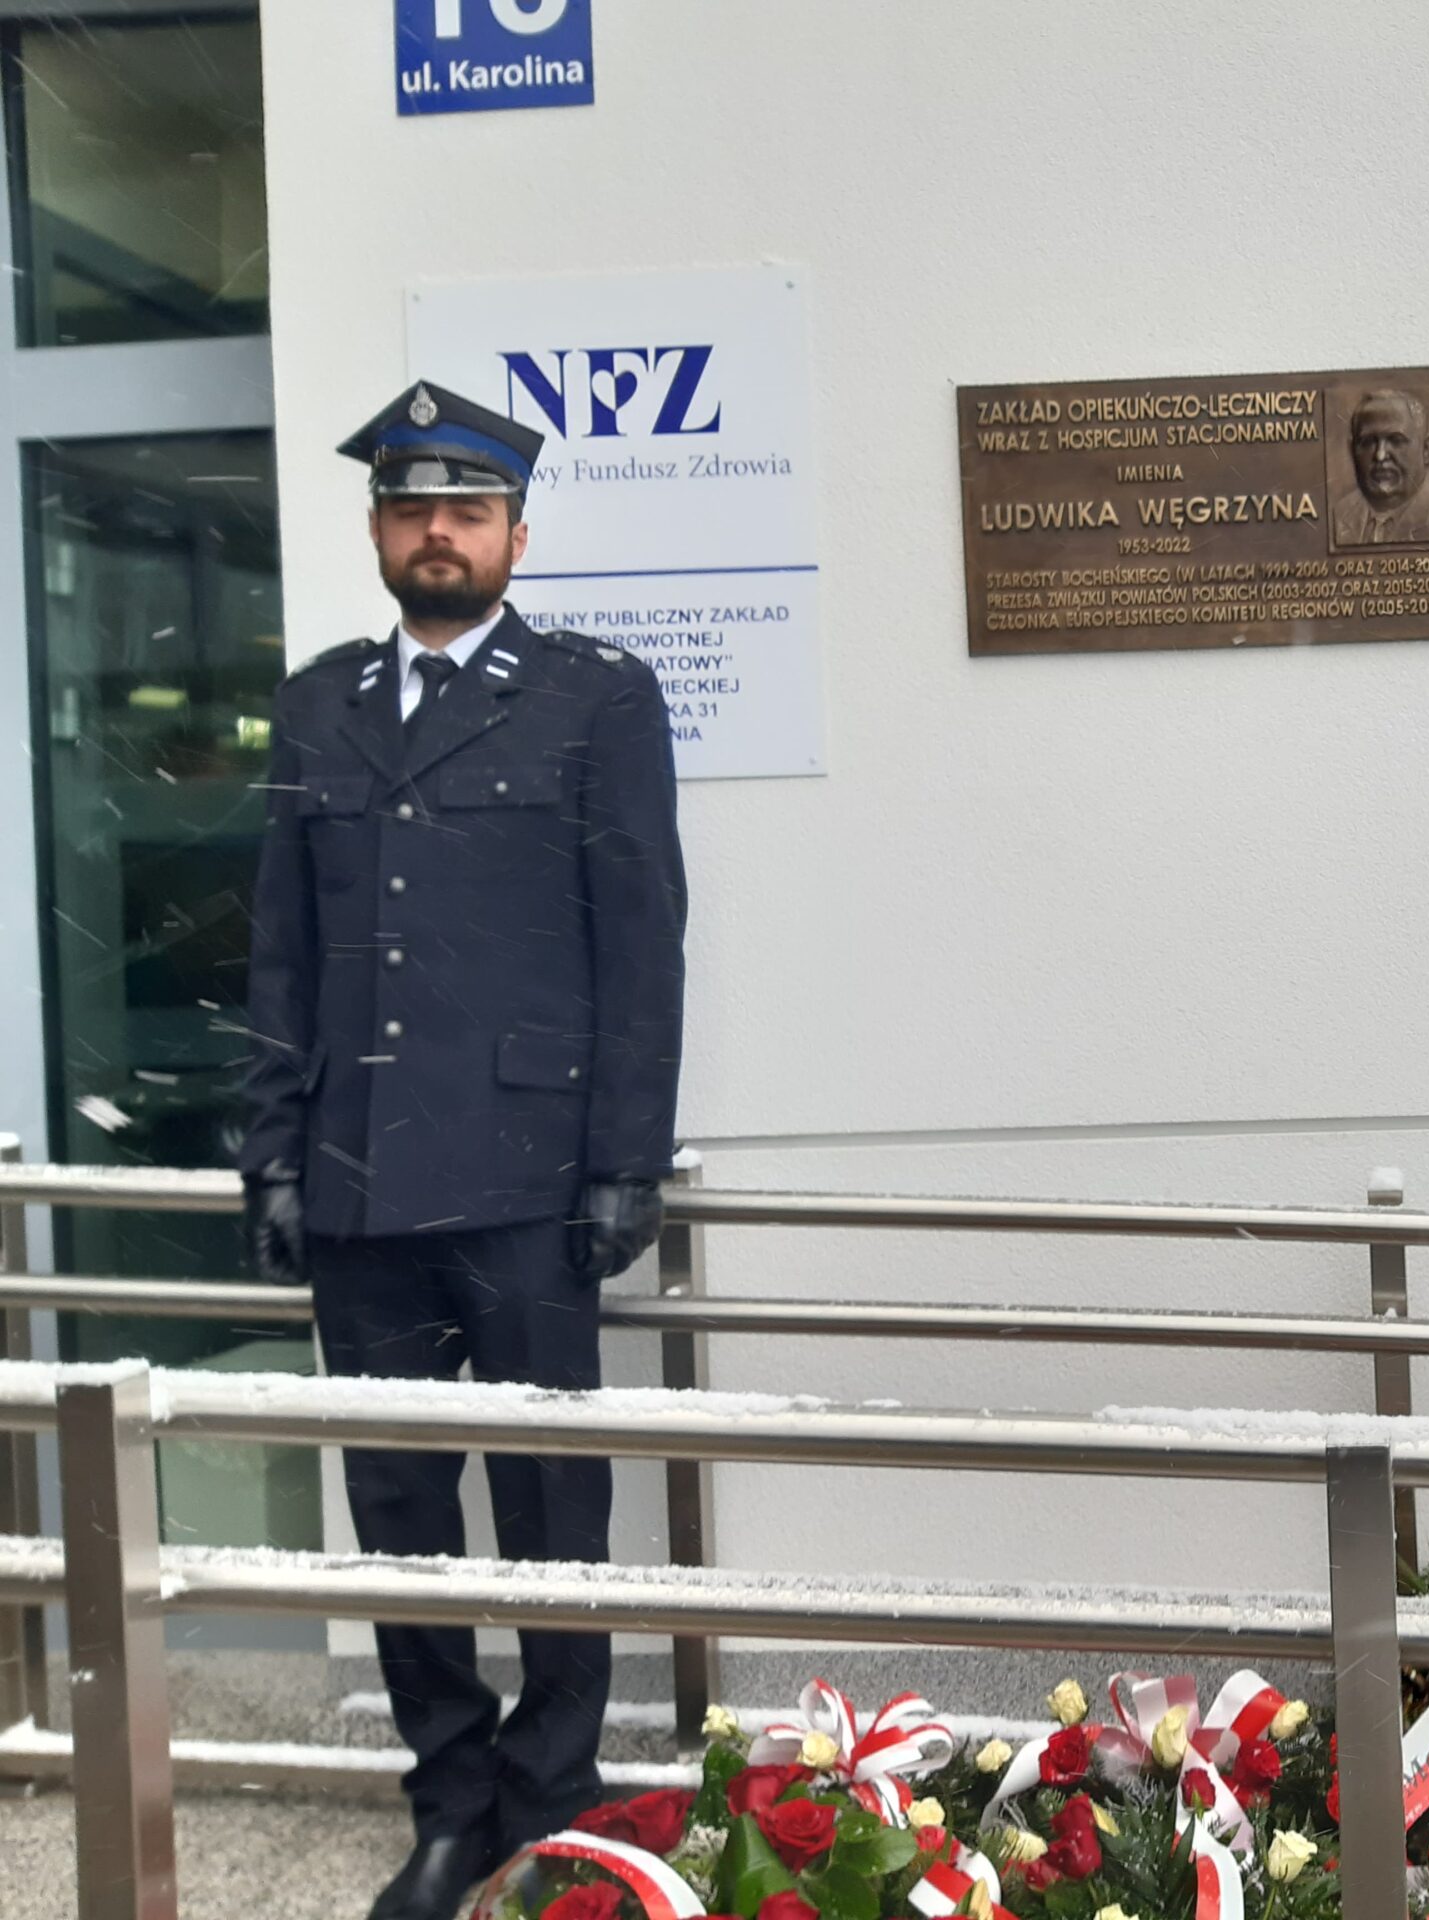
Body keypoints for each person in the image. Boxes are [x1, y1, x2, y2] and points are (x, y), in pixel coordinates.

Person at [237, 380, 688, 1920]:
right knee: (400, 1509)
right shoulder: (319, 707)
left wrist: (626, 1159)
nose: (440, 532)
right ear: (379, 530)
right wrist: (273, 1154)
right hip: (360, 1182)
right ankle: (447, 1799)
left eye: (469, 511)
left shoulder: (593, 700)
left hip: (529, 1180)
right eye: (414, 508)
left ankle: (553, 1804)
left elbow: (642, 944)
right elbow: (283, 953)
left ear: (515, 535)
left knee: (553, 1505)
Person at [1331, 388, 1429, 545]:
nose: (1380, 455)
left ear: (1426, 449)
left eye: (1396, 441)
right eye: (1368, 442)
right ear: (1353, 450)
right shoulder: (1338, 515)